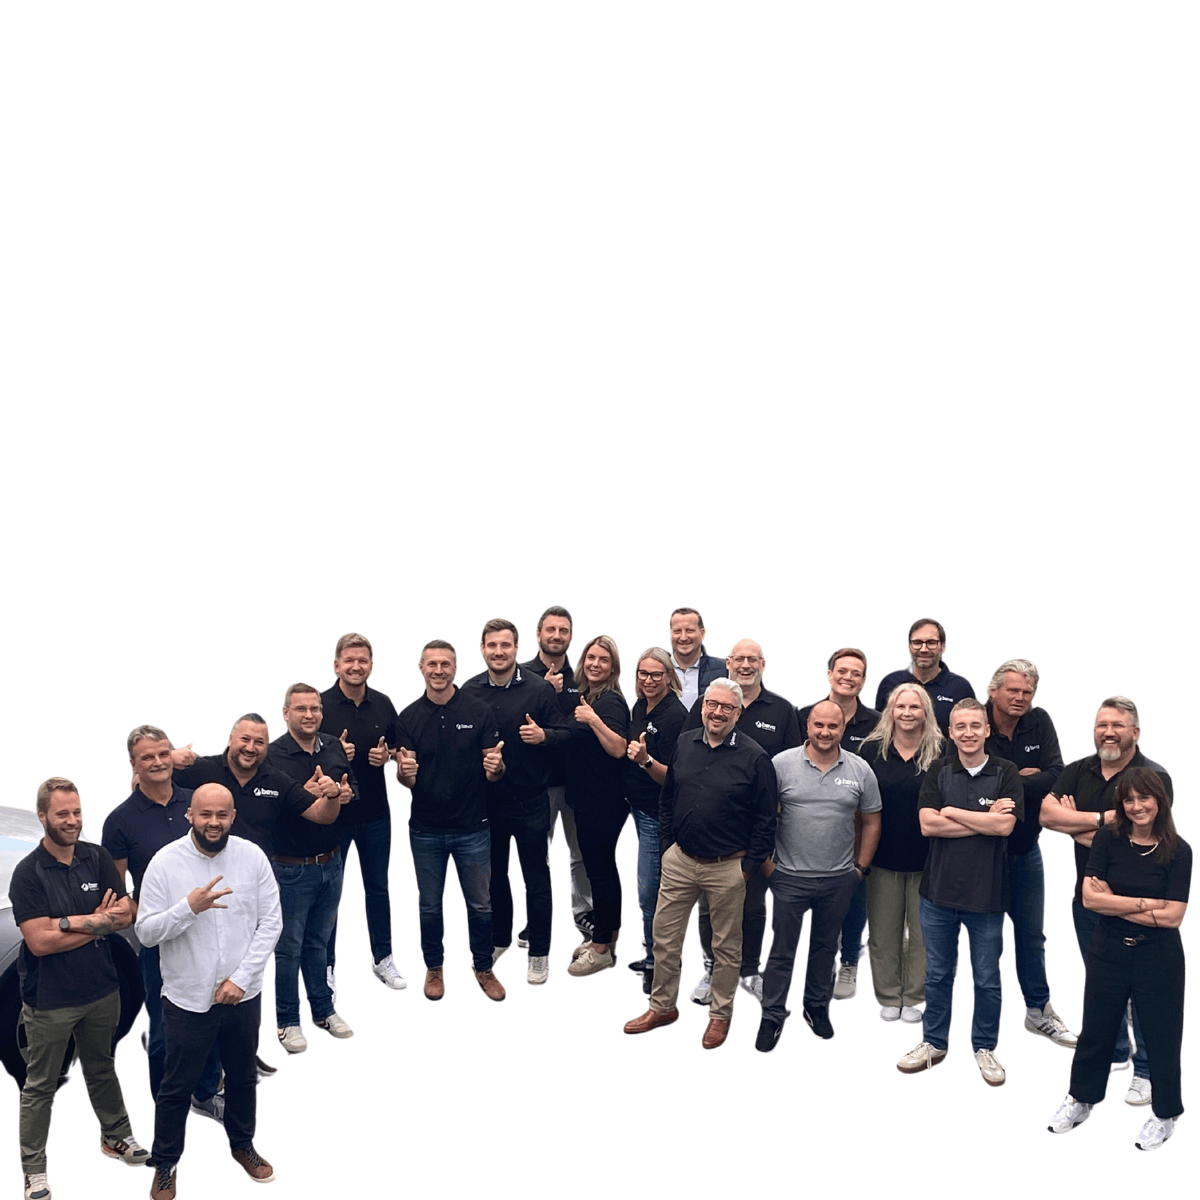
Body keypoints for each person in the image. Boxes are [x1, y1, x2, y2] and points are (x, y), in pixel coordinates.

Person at [137, 783, 283, 1198]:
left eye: (222, 815)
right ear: (190, 815)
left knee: (242, 1077)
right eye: (205, 814)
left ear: (233, 816)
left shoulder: (252, 858)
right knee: (175, 1087)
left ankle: (242, 1145)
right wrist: (188, 908)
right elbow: (145, 932)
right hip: (186, 999)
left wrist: (241, 979)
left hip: (242, 995)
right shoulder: (165, 864)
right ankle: (165, 1163)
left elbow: (271, 922)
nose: (213, 823)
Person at [11, 778, 150, 1200]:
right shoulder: (28, 873)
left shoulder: (97, 857)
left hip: (102, 990)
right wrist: (96, 923)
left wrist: (68, 923)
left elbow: (124, 915)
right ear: (43, 816)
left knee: (102, 1066)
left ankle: (116, 1135)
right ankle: (34, 1171)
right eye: (62, 814)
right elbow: (39, 942)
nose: (72, 821)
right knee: (40, 1086)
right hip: (50, 1000)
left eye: (76, 812)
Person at [623, 679, 777, 1049]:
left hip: (728, 867)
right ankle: (662, 1007)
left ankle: (720, 1016)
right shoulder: (684, 743)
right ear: (703, 706)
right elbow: (668, 796)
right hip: (680, 860)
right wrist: (667, 847)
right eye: (712, 704)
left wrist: (746, 868)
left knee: (725, 947)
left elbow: (765, 820)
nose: (717, 712)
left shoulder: (755, 758)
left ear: (738, 713)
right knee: (664, 938)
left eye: (727, 707)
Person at [1047, 769, 1190, 1152]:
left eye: (1144, 798)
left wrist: (1114, 901)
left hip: (1158, 956)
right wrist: (1146, 904)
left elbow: (1173, 917)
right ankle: (1081, 1098)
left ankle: (1165, 1114)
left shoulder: (1179, 851)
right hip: (1108, 949)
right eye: (1129, 800)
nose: (1137, 806)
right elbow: (1090, 898)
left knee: (1162, 1036)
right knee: (1096, 1030)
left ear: (1160, 801)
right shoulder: (1108, 840)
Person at [1039, 696, 1172, 1105]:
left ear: (1135, 732)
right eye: (1102, 725)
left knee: (1141, 989)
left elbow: (1138, 837)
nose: (1108, 732)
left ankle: (1146, 1071)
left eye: (1117, 725)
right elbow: (1046, 815)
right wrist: (1101, 821)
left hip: (1138, 904)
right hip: (1089, 900)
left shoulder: (1154, 777)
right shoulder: (1079, 771)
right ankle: (1115, 1050)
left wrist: (1075, 825)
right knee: (1102, 982)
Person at [897, 698, 1022, 1086]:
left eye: (975, 726)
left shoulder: (1005, 771)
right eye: (961, 727)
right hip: (937, 895)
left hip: (987, 897)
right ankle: (934, 1043)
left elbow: (1005, 828)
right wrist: (984, 820)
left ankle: (984, 1047)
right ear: (950, 732)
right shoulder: (939, 769)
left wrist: (952, 812)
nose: (968, 733)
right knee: (937, 975)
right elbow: (927, 826)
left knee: (986, 978)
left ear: (987, 730)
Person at [102, 725, 223, 1118]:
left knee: (210, 1016)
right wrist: (141, 915)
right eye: (147, 757)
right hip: (159, 940)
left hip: (208, 930)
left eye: (162, 753)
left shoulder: (196, 801)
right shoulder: (120, 821)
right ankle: (167, 1105)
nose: (157, 762)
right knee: (165, 1027)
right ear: (133, 764)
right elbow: (116, 891)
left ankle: (207, 1092)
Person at [756, 701, 881, 1050]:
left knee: (825, 949)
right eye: (819, 725)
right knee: (782, 951)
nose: (825, 733)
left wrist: (860, 868)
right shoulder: (781, 764)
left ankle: (815, 1007)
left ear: (843, 729)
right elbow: (761, 816)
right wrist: (767, 865)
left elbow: (872, 820)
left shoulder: (860, 769)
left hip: (838, 878)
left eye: (833, 727)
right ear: (808, 726)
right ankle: (771, 1014)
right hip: (789, 877)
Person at [683, 639, 801, 1006]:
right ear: (728, 663)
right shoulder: (709, 703)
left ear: (763, 664)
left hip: (759, 827)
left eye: (753, 659)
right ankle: (712, 968)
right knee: (710, 904)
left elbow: (794, 767)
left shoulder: (782, 710)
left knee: (752, 901)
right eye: (739, 659)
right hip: (712, 828)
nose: (745, 665)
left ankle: (749, 970)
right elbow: (686, 752)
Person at [397, 640, 507, 1001]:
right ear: (421, 668)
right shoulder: (408, 717)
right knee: (429, 905)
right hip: (426, 829)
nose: (439, 670)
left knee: (480, 904)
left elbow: (493, 770)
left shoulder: (478, 710)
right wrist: (403, 773)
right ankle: (434, 967)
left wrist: (497, 767)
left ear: (455, 668)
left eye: (445, 664)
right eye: (432, 664)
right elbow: (406, 778)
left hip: (473, 827)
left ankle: (483, 966)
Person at [463, 618, 569, 985]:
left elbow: (567, 734)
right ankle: (499, 938)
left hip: (530, 801)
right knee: (493, 876)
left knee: (536, 879)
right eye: (492, 645)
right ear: (482, 648)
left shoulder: (539, 690)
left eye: (505, 645)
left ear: (516, 648)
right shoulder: (470, 691)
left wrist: (544, 736)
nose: (498, 652)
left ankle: (539, 951)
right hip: (485, 802)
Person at [983, 659, 1076, 1048]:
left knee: (1031, 936)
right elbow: (968, 784)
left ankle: (1038, 1011)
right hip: (981, 856)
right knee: (987, 942)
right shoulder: (974, 721)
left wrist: (1006, 784)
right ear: (993, 691)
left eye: (1027, 691)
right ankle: (985, 1027)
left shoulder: (1039, 722)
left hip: (1025, 851)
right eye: (1013, 690)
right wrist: (1022, 776)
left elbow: (1058, 774)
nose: (1021, 697)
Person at [265, 684, 356, 1051]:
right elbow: (263, 812)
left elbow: (352, 786)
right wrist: (301, 794)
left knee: (319, 942)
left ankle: (323, 1009)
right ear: (286, 713)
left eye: (315, 708)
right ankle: (288, 1021)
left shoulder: (333, 745)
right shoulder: (270, 756)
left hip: (331, 863)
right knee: (288, 949)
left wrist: (345, 794)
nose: (309, 715)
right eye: (300, 709)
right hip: (290, 870)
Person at [319, 632, 406, 991]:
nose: (356, 666)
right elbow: (296, 754)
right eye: (349, 660)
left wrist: (388, 756)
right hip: (331, 817)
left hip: (375, 815)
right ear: (336, 665)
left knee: (378, 888)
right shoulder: (319, 705)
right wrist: (332, 752)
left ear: (371, 665)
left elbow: (402, 749)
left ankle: (383, 958)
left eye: (362, 660)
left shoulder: (383, 704)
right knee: (328, 893)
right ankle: (325, 964)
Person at [798, 647, 882, 1003]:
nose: (848, 677)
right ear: (830, 674)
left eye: (856, 673)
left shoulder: (877, 722)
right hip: (811, 828)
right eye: (842, 671)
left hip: (858, 826)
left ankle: (849, 961)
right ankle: (819, 962)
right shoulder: (805, 714)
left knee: (855, 894)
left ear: (863, 680)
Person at [857, 685, 941, 1022]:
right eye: (900, 706)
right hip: (882, 859)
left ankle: (914, 996)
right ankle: (889, 994)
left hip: (929, 860)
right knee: (883, 933)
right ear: (890, 711)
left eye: (914, 707)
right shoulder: (871, 751)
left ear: (926, 712)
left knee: (922, 935)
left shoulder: (942, 751)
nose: (907, 713)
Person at [520, 606, 593, 939]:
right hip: (537, 784)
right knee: (536, 856)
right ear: (538, 634)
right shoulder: (522, 675)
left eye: (563, 630)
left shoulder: (583, 677)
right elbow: (515, 724)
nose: (556, 636)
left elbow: (584, 728)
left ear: (571, 636)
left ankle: (585, 913)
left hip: (577, 781)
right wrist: (541, 690)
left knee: (581, 854)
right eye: (550, 629)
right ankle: (537, 919)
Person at [565, 635, 631, 976]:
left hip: (602, 803)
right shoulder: (589, 695)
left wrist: (592, 719)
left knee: (600, 872)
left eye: (603, 660)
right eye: (591, 657)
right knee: (600, 870)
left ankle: (602, 948)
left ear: (613, 668)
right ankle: (605, 937)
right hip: (587, 799)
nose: (595, 664)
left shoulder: (610, 701)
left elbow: (618, 748)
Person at [623, 648, 687, 994]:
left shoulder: (675, 716)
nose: (648, 680)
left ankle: (657, 963)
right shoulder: (640, 706)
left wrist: (646, 760)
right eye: (643, 673)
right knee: (648, 892)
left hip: (656, 815)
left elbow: (674, 779)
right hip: (636, 807)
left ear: (669, 677)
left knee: (652, 894)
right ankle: (652, 952)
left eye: (656, 674)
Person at [874, 618, 974, 733]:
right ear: (909, 646)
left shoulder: (960, 688)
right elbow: (880, 730)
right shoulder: (890, 683)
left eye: (931, 643)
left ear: (943, 646)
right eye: (917, 643)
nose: (924, 649)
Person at [668, 607, 726, 711]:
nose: (683, 637)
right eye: (677, 631)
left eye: (689, 630)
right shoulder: (659, 669)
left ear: (702, 633)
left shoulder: (723, 670)